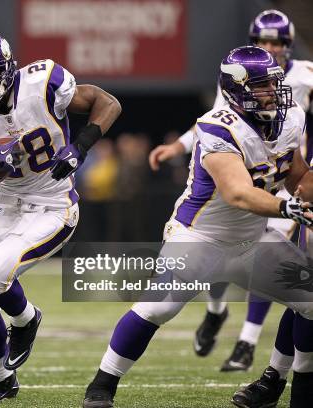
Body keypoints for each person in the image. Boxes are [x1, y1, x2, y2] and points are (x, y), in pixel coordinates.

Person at [83, 46, 313, 408]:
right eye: (263, 85)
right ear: (238, 90)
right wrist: (290, 207)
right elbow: (238, 193)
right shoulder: (217, 126)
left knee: (310, 299)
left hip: (251, 241)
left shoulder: (291, 117)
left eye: (274, 82)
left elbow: (298, 175)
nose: (273, 91)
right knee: (159, 308)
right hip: (199, 238)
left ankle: (282, 385)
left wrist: (307, 193)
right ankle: (102, 385)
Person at [0, 31, 122, 403]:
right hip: (7, 208)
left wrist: (79, 148)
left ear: (10, 68)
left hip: (54, 207)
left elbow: (108, 103)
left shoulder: (43, 82)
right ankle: (0, 380)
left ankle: (26, 319)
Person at [148, 9, 313, 373]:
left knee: (278, 262)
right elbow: (215, 124)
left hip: (286, 174)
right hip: (244, 174)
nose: (272, 47)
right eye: (264, 41)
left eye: (278, 42)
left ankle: (247, 344)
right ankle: (217, 311)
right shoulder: (240, 80)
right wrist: (178, 147)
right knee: (225, 248)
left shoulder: (304, 76)